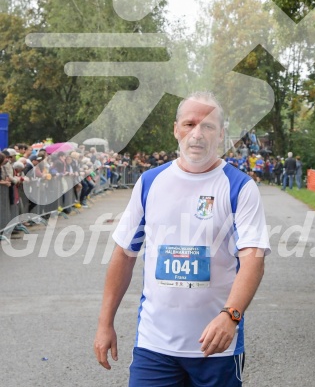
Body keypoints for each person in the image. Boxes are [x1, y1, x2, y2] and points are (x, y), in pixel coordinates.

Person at [94, 91, 270, 386]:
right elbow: (124, 254)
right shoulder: (150, 182)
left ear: (221, 134)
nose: (197, 134)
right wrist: (104, 323)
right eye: (189, 124)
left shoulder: (240, 187)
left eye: (208, 126)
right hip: (155, 348)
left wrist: (231, 316)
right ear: (176, 129)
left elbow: (253, 259)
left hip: (217, 349)